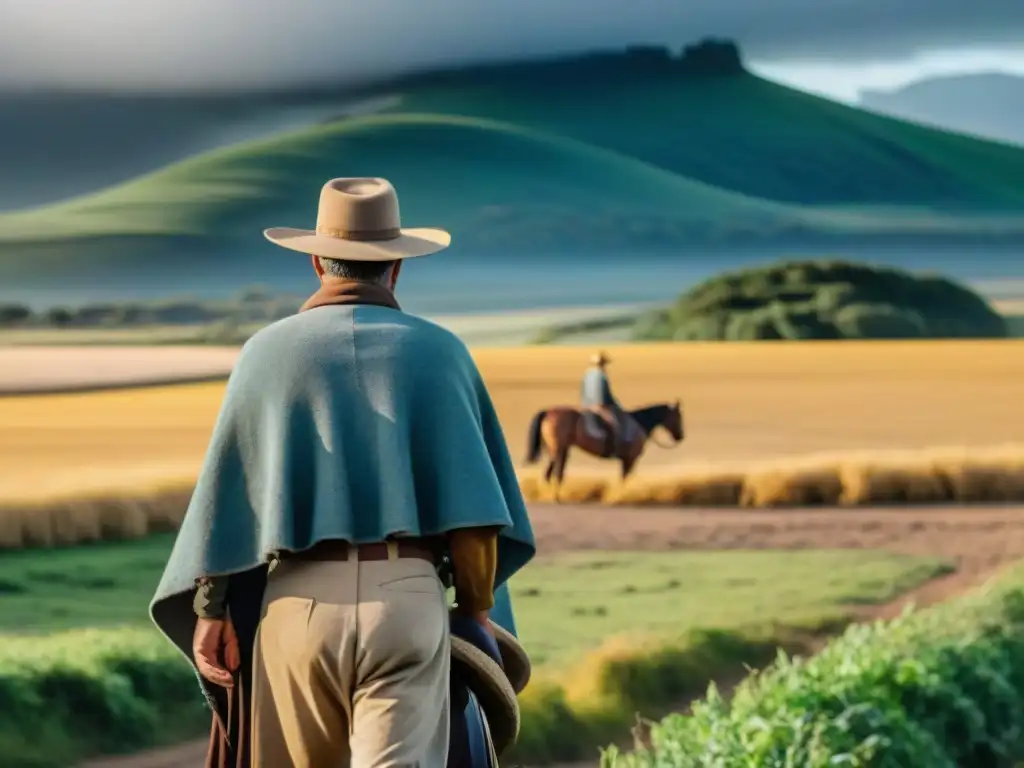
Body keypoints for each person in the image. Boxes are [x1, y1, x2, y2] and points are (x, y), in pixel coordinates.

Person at [149, 177, 536, 768]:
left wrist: (210, 613)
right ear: (397, 267)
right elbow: (477, 518)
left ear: (314, 260)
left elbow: (230, 503)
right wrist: (476, 611)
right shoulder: (443, 351)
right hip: (406, 601)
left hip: (296, 606)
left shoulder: (264, 353)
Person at [579, 351, 629, 457]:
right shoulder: (601, 376)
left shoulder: (587, 375)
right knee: (615, 423)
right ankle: (613, 450)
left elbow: (583, 392)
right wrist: (616, 405)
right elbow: (604, 395)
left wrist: (585, 404)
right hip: (599, 407)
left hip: (586, 406)